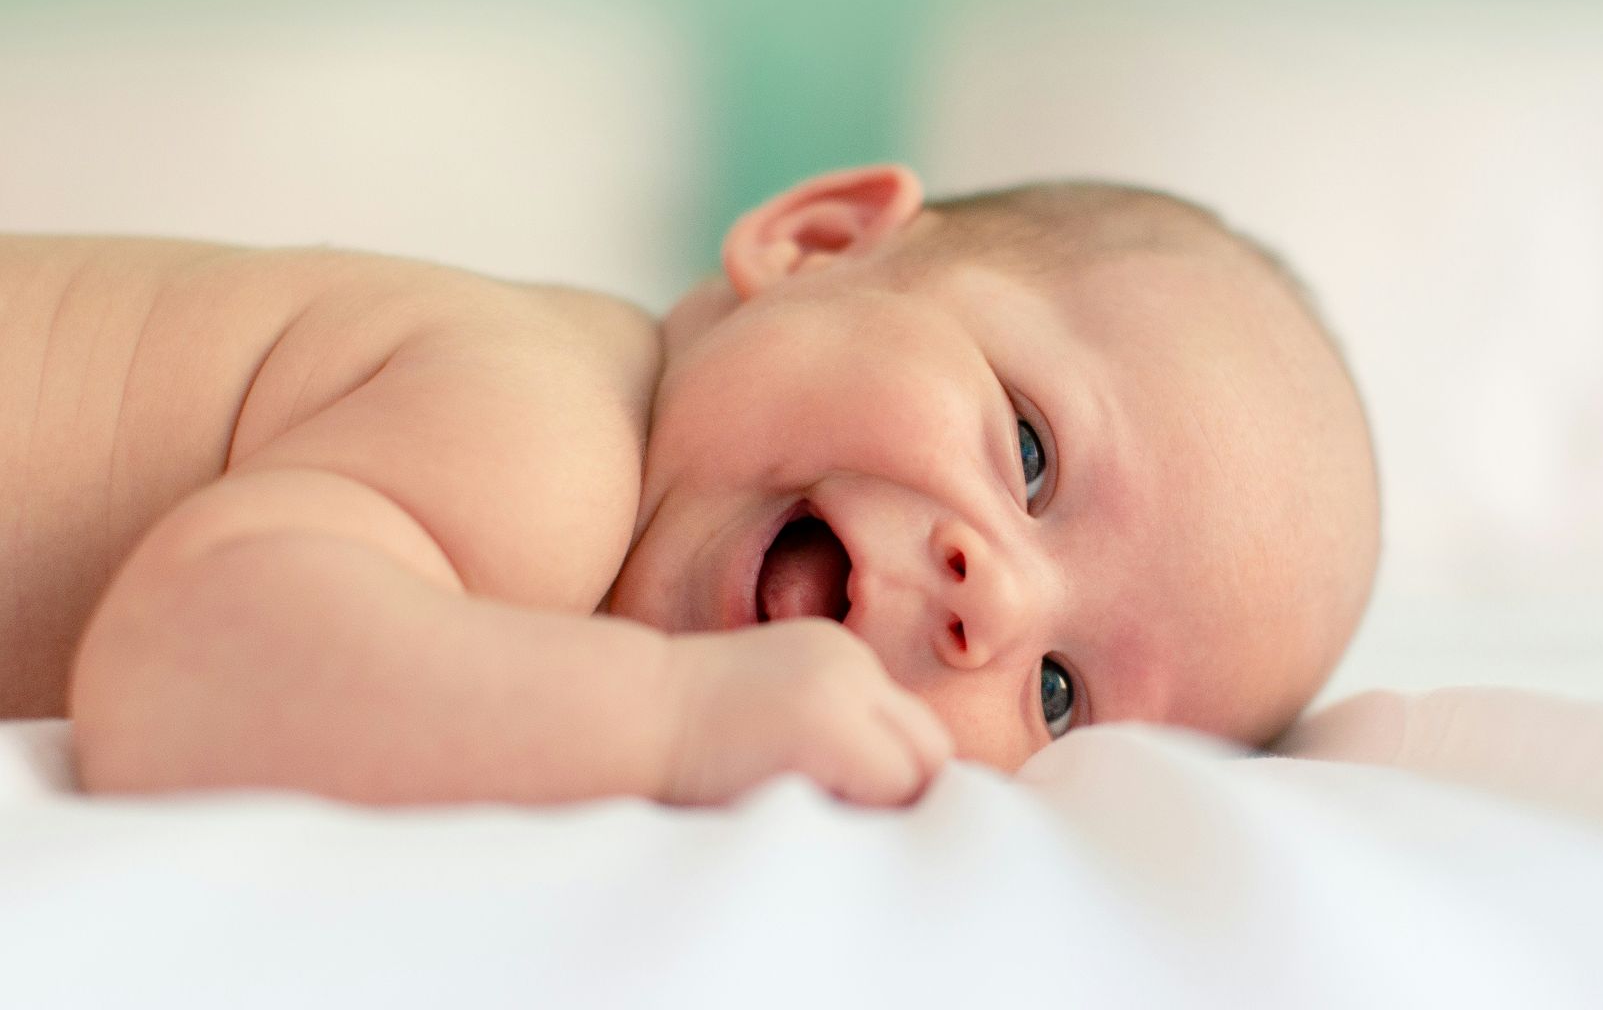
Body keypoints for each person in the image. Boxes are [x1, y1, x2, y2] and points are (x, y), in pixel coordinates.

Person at [0, 164, 1379, 806]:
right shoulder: (548, 435)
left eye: (1060, 697)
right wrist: (667, 720)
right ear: (817, 241)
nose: (993, 606)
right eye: (1028, 451)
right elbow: (184, 674)